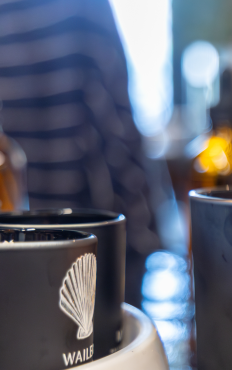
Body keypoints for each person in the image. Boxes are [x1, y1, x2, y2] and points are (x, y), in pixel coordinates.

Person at [0, 0, 170, 305]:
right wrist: (149, 244)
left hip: (15, 260)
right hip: (90, 251)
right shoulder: (82, 7)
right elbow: (119, 134)